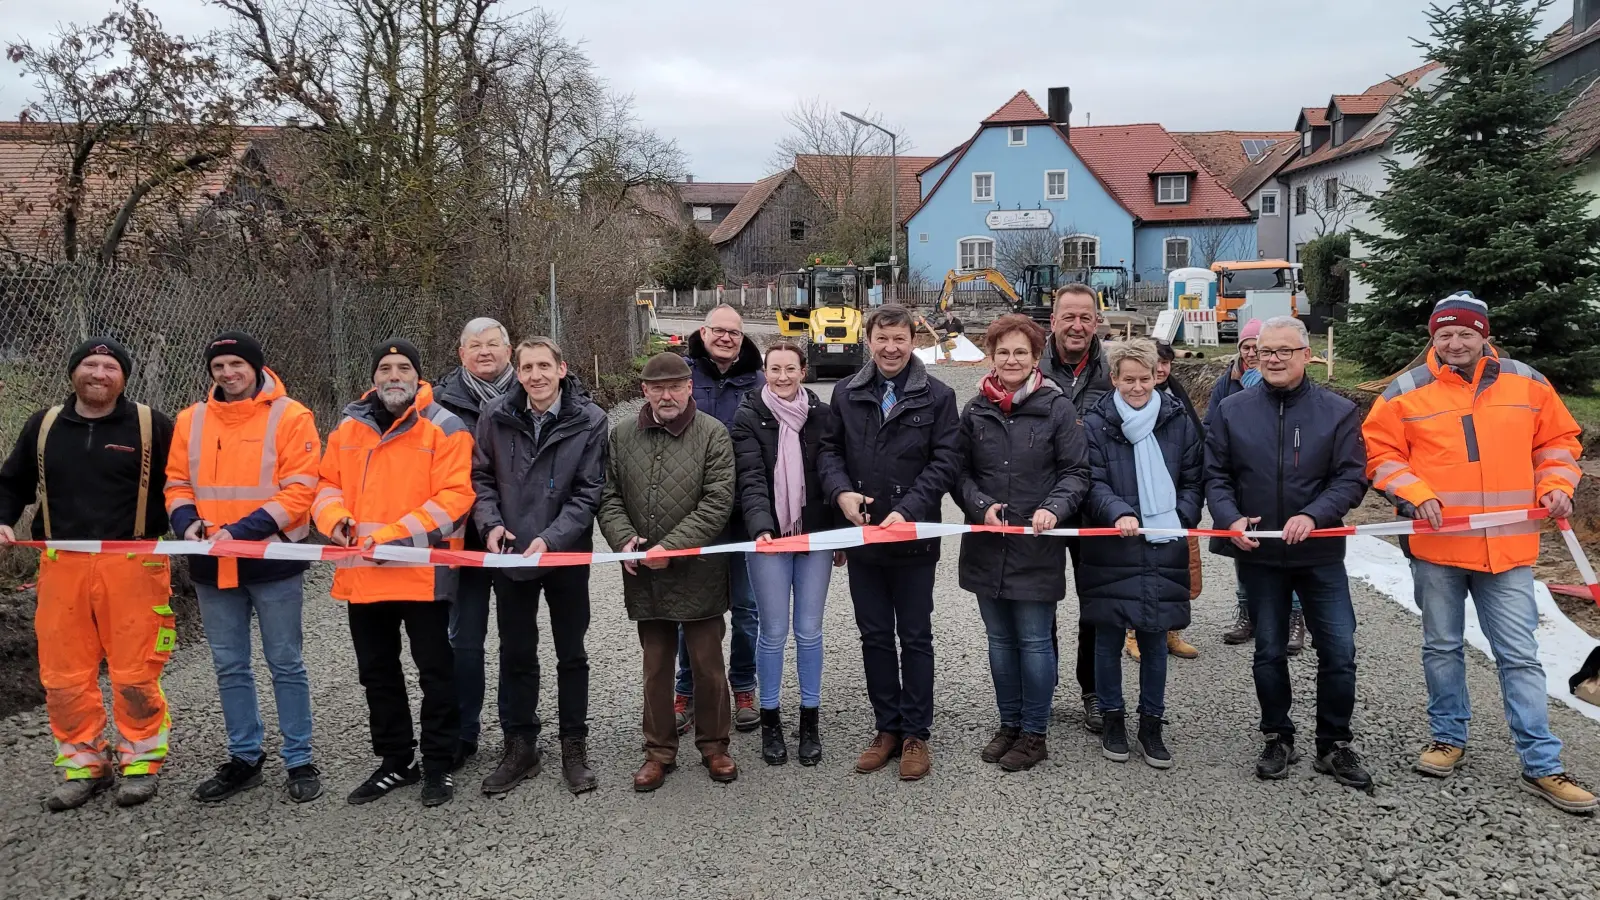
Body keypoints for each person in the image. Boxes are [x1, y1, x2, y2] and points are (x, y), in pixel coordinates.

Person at [1363, 292, 1596, 814]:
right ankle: (1448, 739)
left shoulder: (1527, 382)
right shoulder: (1405, 392)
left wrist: (1557, 483)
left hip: (1509, 548)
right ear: (1432, 336)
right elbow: (1379, 454)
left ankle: (1542, 763)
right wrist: (1416, 495)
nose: (1455, 343)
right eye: (1445, 334)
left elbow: (1558, 441)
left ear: (1483, 334)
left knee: (1519, 656)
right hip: (1438, 548)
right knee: (1442, 646)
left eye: (1465, 333)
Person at [0, 338, 175, 811]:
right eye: (89, 364)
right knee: (63, 674)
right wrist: (2, 517)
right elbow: (12, 482)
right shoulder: (45, 425)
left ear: (124, 377)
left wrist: (196, 528)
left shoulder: (150, 424)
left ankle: (141, 761)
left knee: (135, 669)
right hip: (62, 565)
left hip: (135, 563)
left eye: (110, 366)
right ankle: (83, 764)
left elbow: (180, 484)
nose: (99, 373)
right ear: (73, 372)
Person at [1205, 316, 1372, 790]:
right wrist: (1228, 517)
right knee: (1269, 650)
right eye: (1265, 351)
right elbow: (1214, 474)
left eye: (1284, 350)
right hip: (1258, 553)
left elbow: (1351, 477)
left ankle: (1334, 741)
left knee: (1339, 649)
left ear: (1306, 355)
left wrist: (1316, 515)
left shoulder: (1337, 411)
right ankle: (1277, 733)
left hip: (1318, 554)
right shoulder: (1233, 409)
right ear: (1253, 355)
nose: (1273, 359)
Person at [314, 339, 475, 807]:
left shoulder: (444, 427)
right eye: (385, 368)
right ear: (373, 378)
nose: (393, 376)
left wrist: (394, 539)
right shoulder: (347, 428)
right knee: (377, 674)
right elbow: (325, 485)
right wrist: (334, 521)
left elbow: (455, 501)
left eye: (403, 367)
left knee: (435, 673)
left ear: (418, 376)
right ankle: (395, 762)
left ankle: (439, 765)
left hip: (421, 574)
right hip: (363, 573)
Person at [166, 332, 323, 804]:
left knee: (285, 662)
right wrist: (187, 523)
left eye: (237, 364)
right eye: (219, 367)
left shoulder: (292, 416)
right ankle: (244, 757)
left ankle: (299, 757)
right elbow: (176, 483)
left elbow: (301, 489)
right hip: (211, 561)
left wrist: (241, 531)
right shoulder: (190, 420)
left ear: (256, 367)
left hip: (270, 560)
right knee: (230, 665)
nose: (229, 374)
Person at [818, 304, 960, 781]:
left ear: (913, 342)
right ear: (869, 340)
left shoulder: (938, 397)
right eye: (883, 338)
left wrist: (908, 510)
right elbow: (829, 452)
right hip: (864, 538)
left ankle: (917, 733)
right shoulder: (846, 392)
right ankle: (888, 728)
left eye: (900, 339)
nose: (891, 348)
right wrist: (840, 494)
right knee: (875, 636)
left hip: (913, 538)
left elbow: (944, 462)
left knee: (915, 636)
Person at [470, 337, 608, 795]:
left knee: (571, 652)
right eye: (527, 367)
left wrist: (550, 539)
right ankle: (520, 745)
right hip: (509, 553)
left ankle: (574, 745)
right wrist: (489, 523)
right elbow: (482, 478)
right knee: (516, 652)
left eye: (544, 366)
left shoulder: (589, 420)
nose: (536, 376)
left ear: (562, 369)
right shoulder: (494, 416)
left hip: (565, 554)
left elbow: (589, 491)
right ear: (518, 370)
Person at [597, 352, 739, 791]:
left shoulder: (713, 434)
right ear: (644, 391)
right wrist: (625, 541)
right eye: (657, 388)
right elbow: (607, 496)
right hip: (645, 572)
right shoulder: (621, 436)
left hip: (698, 570)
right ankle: (658, 752)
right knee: (656, 665)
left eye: (675, 386)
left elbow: (718, 501)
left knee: (708, 665)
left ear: (689, 387)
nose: (667, 395)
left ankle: (715, 746)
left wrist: (671, 547)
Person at [957, 315, 1089, 772]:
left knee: (1033, 641)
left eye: (1020, 352)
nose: (1010, 360)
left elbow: (1077, 472)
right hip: (988, 546)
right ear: (990, 357)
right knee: (998, 641)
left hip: (1036, 546)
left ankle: (1035, 732)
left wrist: (1055, 506)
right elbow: (960, 472)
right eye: (1002, 352)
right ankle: (1008, 723)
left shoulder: (1057, 408)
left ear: (1036, 358)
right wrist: (978, 504)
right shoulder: (975, 410)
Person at [1079, 339, 1204, 769]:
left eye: (1144, 379)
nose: (1136, 387)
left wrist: (1180, 517)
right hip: (1113, 543)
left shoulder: (1177, 420)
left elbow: (1193, 478)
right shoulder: (1095, 423)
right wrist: (1118, 512)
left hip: (1162, 542)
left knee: (1155, 636)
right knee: (1108, 635)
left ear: (1157, 376)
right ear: (1113, 379)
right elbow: (1091, 479)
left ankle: (1152, 721)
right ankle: (1113, 717)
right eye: (1127, 379)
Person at [731, 340, 841, 767]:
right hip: (769, 539)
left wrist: (837, 533)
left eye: (789, 369)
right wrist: (761, 527)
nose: (781, 377)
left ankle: (809, 720)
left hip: (813, 536)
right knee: (773, 632)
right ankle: (771, 718)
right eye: (774, 369)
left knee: (810, 630)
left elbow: (831, 472)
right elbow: (751, 477)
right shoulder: (748, 417)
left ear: (803, 371)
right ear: (764, 370)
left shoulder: (822, 415)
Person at [678, 304, 764, 736]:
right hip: (693, 512)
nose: (727, 338)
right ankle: (686, 690)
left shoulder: (759, 381)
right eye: (719, 331)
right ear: (703, 332)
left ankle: (744, 686)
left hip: (743, 513)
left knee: (747, 607)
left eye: (734, 332)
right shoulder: (683, 374)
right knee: (691, 607)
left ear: (742, 337)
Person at [433, 317, 515, 768]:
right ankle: (464, 732)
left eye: (492, 344)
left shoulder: (532, 394)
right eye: (474, 346)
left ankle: (514, 731)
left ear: (509, 349)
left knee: (515, 638)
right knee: (464, 639)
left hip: (514, 534)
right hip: (461, 536)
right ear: (460, 354)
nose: (484, 352)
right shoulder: (440, 403)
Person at [1037, 283, 1113, 734]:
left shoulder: (1115, 370)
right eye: (1069, 317)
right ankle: (1041, 688)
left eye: (1086, 317)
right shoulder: (1031, 367)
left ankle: (1093, 691)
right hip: (1044, 506)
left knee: (1096, 606)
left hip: (1098, 506)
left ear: (1097, 323)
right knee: (1040, 602)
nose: (1077, 326)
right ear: (1053, 322)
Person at [1208, 318, 1304, 653]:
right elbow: (1212, 424)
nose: (1252, 353)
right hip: (1243, 487)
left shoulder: (1288, 384)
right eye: (1249, 348)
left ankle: (1294, 616)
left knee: (1290, 555)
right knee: (1244, 554)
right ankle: (1247, 612)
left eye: (1257, 347)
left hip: (1283, 488)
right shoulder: (1227, 384)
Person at [1124, 339, 1202, 662]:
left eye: (1165, 363)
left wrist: (1186, 511)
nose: (1161, 369)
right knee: (1133, 574)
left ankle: (1171, 631)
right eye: (1155, 362)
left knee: (1180, 572)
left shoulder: (1177, 397)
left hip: (1173, 506)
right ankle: (1132, 633)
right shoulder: (1125, 401)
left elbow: (1195, 451)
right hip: (1136, 506)